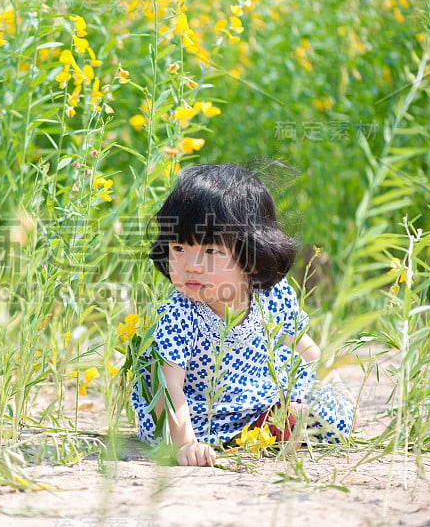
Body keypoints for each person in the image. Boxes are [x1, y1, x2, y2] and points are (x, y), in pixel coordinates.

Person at [130, 162, 356, 467]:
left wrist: (336, 388)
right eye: (179, 248)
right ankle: (266, 427)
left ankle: (274, 423)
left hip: (254, 392)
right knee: (293, 415)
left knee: (336, 411)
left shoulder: (270, 297)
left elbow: (306, 349)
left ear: (251, 258)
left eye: (210, 252)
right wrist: (186, 444)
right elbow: (168, 387)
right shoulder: (179, 314)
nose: (192, 265)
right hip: (199, 414)